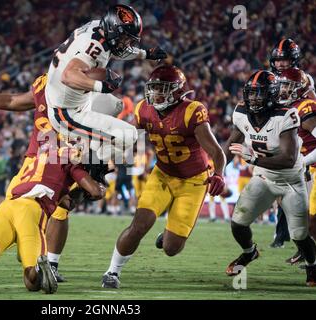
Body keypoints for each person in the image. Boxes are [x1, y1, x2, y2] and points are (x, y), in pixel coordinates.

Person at [0, 72, 121, 281]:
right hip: (60, 168)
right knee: (55, 214)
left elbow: (12, 100)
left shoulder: (48, 83)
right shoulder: (81, 99)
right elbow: (108, 114)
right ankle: (45, 264)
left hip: (27, 174)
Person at [101, 65, 227, 288]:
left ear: (177, 91)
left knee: (171, 248)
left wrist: (219, 174)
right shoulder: (144, 109)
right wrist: (106, 152)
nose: (156, 93)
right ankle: (112, 272)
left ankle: (168, 235)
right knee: (139, 225)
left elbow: (217, 152)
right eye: (154, 88)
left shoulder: (192, 111)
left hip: (194, 181)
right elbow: (128, 138)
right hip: (163, 175)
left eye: (162, 88)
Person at [0, 138, 106, 294]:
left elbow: (64, 201)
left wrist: (76, 193)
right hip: (32, 209)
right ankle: (39, 269)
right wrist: (99, 190)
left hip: (9, 204)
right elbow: (94, 190)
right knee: (31, 282)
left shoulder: (45, 155)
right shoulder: (72, 161)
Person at [222, 70, 315, 286]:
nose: (254, 98)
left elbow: (289, 159)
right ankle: (249, 252)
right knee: (238, 223)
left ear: (272, 94)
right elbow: (230, 146)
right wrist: (217, 170)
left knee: (300, 234)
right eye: (251, 93)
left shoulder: (286, 114)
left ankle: (312, 265)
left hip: (291, 180)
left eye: (260, 93)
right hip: (264, 178)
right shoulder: (241, 112)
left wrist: (253, 160)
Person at [45, 4, 166, 169]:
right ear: (113, 29)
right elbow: (69, 76)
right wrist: (100, 86)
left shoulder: (99, 28)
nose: (126, 43)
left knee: (116, 105)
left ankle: (93, 147)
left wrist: (146, 54)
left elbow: (116, 49)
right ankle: (92, 166)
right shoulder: (94, 46)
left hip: (75, 97)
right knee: (129, 136)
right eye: (125, 38)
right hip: (66, 112)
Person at [269, 38, 316, 255]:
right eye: (277, 60)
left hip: (304, 149)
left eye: (285, 60)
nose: (280, 64)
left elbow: (309, 115)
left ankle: (296, 243)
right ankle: (299, 244)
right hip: (286, 142)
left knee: (305, 211)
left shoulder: (304, 88)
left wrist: (301, 160)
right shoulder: (273, 81)